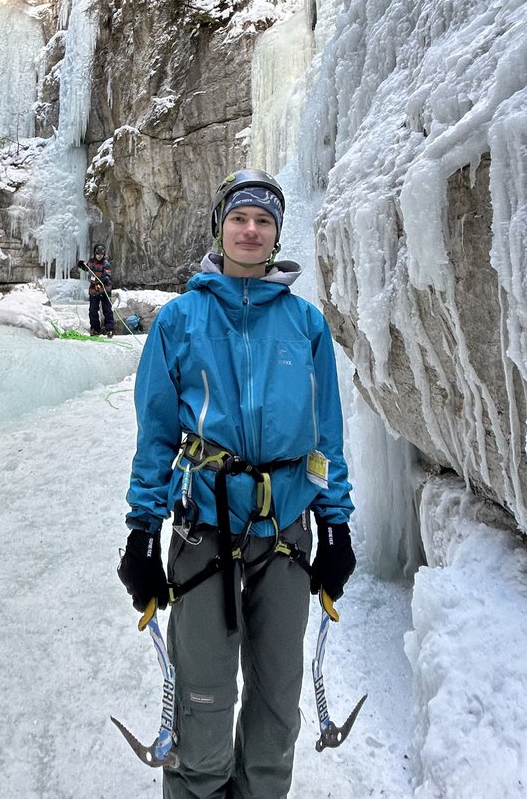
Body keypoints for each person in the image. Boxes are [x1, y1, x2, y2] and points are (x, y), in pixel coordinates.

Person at [117, 169, 355, 799]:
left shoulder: (306, 325)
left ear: (276, 235)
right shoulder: (180, 320)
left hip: (286, 530)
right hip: (205, 529)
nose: (251, 230)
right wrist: (142, 532)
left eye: (264, 221)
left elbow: (325, 438)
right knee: (203, 703)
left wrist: (336, 527)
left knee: (277, 705)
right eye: (240, 218)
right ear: (220, 227)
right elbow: (157, 435)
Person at [77, 243, 115, 337]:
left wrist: (102, 280)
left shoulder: (106, 264)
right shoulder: (91, 262)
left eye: (101, 254)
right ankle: (95, 329)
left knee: (107, 310)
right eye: (98, 254)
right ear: (95, 253)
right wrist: (81, 265)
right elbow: (86, 267)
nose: (99, 256)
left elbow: (107, 276)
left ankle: (109, 329)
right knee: (93, 310)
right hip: (94, 290)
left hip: (104, 290)